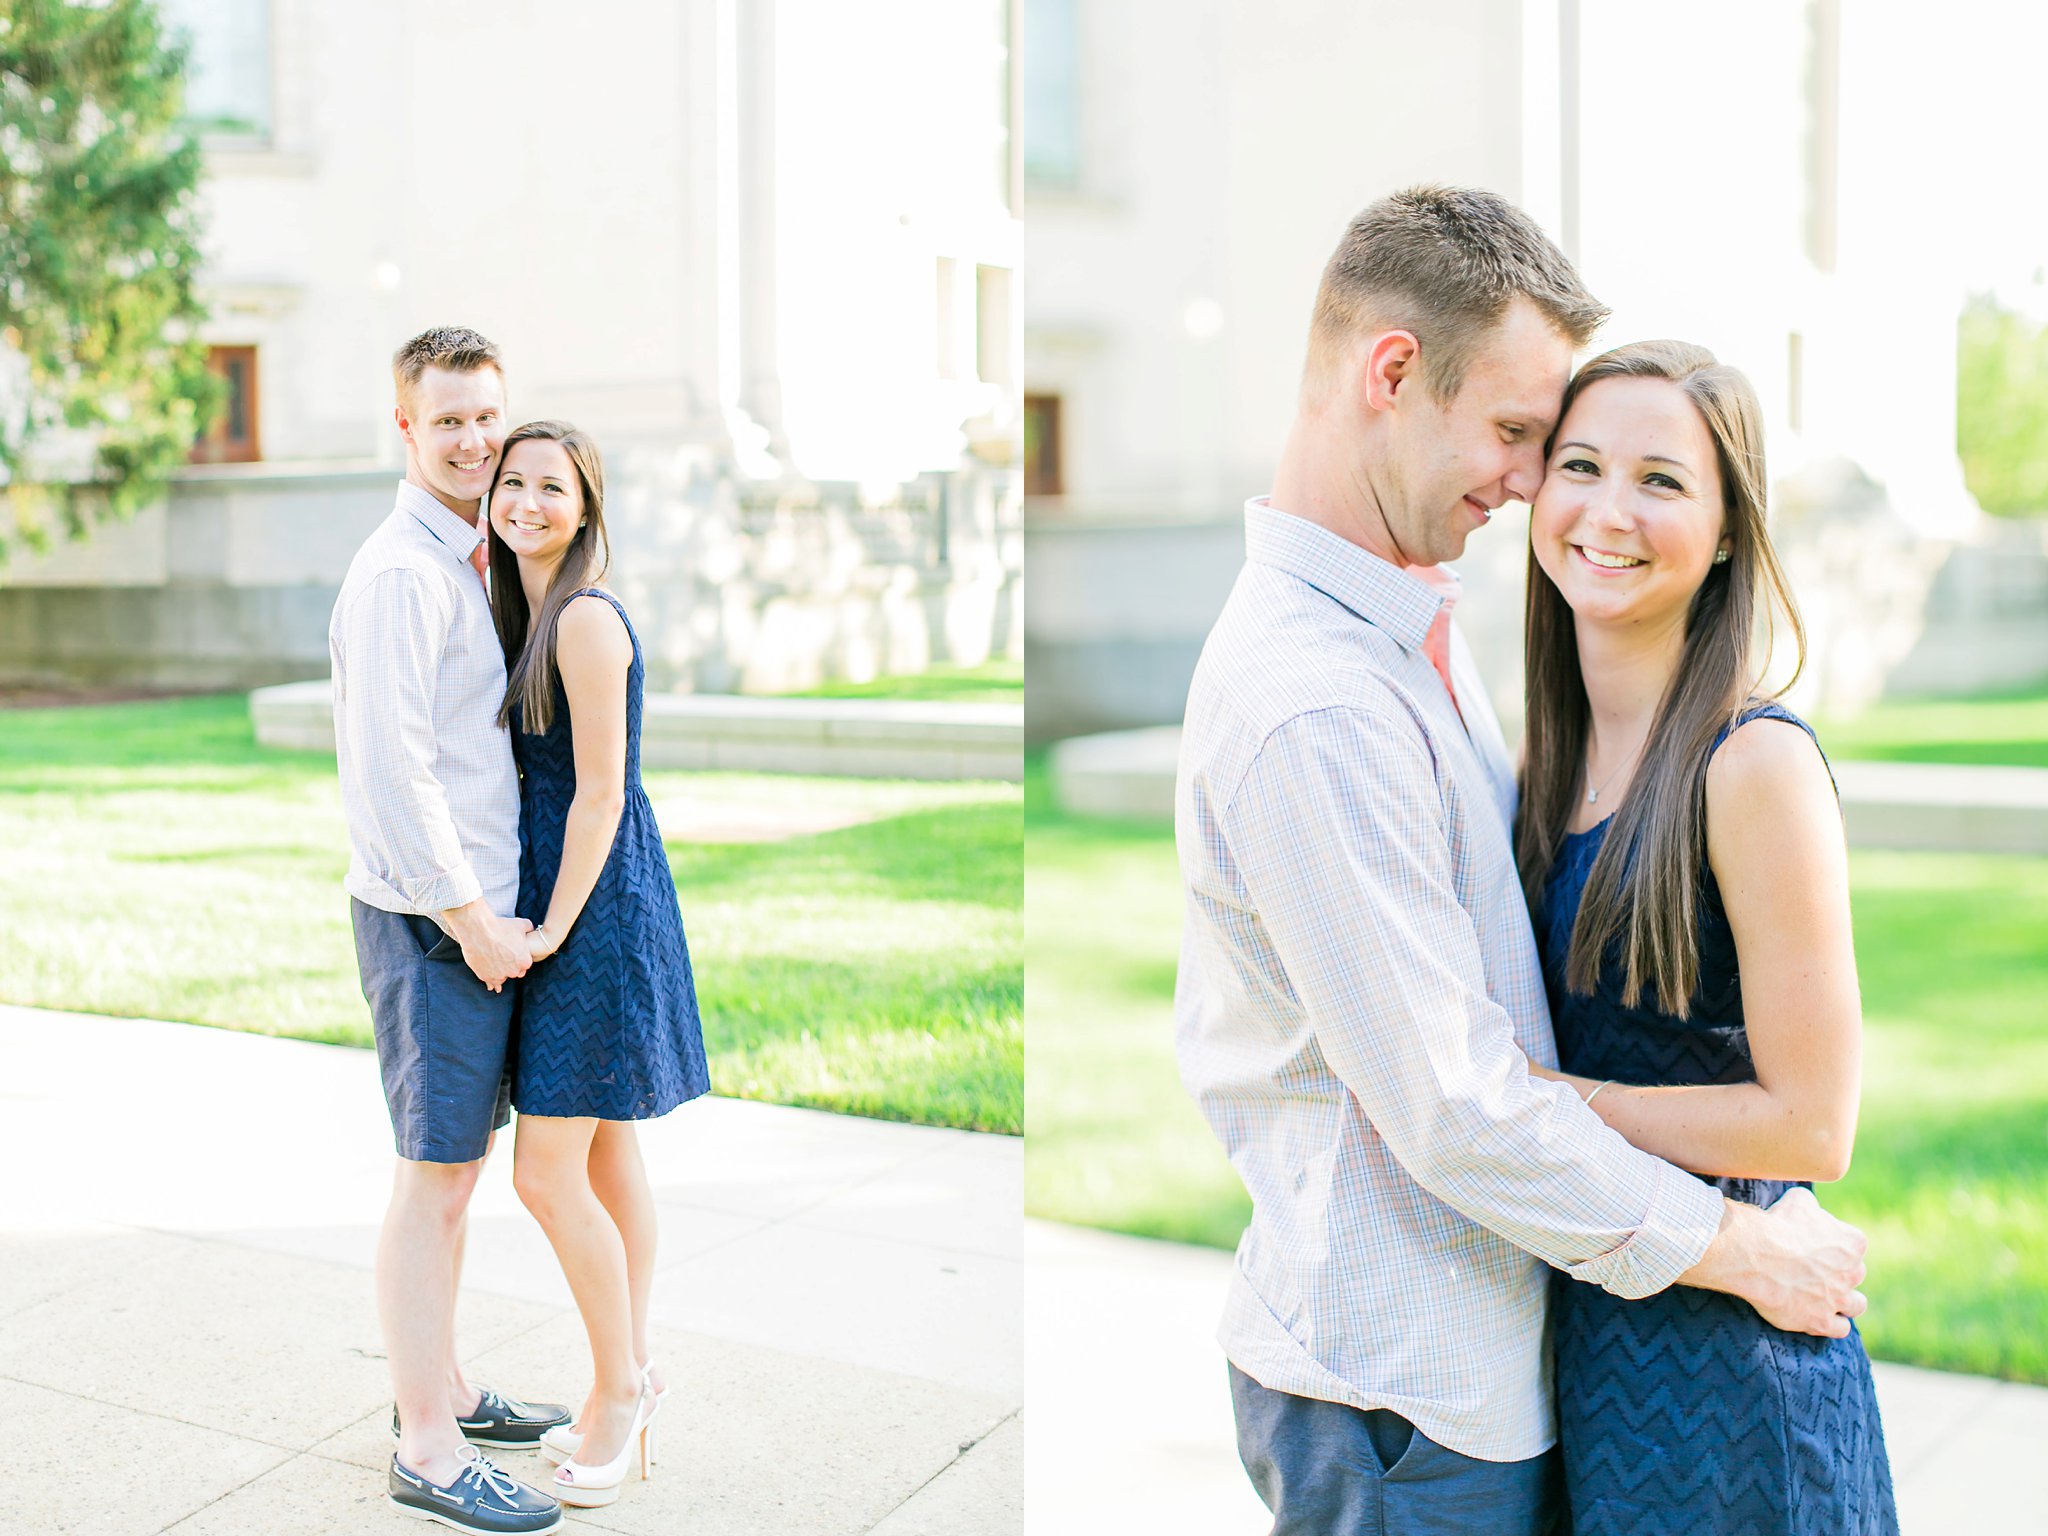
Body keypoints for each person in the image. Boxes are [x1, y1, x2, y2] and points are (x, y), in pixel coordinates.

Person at [1172, 186, 1870, 1535]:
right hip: (1408, 1396)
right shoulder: (1316, 702)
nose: (1531, 482)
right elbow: (1458, 1102)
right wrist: (1741, 1246)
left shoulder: (1408, 638)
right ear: (1391, 374)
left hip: (1541, 1366)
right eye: (1520, 436)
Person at [1514, 340, 1896, 1532]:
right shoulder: (1538, 766)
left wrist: (1537, 1104)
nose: (1606, 511)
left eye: (1661, 480)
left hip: (1735, 1380)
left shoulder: (1752, 764)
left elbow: (1812, 1122)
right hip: (1590, 1343)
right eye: (1578, 464)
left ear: (1728, 529)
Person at [331, 327, 567, 1534]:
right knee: (432, 1184)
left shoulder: (466, 555)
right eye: (449, 421)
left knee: (456, 1177)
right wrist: (474, 922)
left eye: (488, 416)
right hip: (434, 928)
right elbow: (392, 775)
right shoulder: (401, 576)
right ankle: (425, 1444)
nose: (474, 440)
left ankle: (450, 1390)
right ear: (406, 428)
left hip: (466, 924)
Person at [483, 420, 712, 1510]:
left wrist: (550, 930)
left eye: (551, 488)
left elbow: (601, 793)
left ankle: (620, 1391)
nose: (526, 500)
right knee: (609, 1156)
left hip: (592, 911)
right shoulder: (522, 610)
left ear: (585, 510)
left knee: (545, 1173)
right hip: (565, 902)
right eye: (511, 481)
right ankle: (629, 1372)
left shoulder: (580, 620)